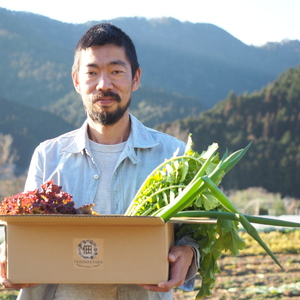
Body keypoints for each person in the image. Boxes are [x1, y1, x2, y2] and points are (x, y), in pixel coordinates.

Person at [0, 23, 199, 300]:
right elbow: (22, 229)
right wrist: (9, 252)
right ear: (76, 81)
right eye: (92, 73)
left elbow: (196, 232)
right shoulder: (48, 155)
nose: (104, 85)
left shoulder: (173, 156)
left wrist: (188, 252)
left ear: (136, 78)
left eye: (116, 72)